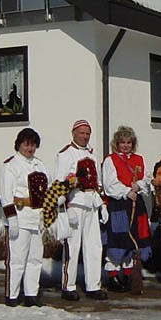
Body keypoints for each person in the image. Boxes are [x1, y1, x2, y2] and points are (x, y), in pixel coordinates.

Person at [55, 119, 107, 301]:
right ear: (73, 133)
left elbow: (98, 182)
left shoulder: (92, 155)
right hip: (75, 204)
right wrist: (64, 207)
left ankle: (93, 285)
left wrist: (103, 205)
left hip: (91, 204)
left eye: (87, 133)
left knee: (94, 246)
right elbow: (59, 184)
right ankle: (68, 286)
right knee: (72, 247)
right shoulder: (65, 154)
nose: (85, 137)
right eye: (82, 133)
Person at [0, 127, 48, 307]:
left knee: (35, 259)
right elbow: (5, 194)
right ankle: (12, 295)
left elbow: (45, 192)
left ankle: (31, 294)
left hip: (36, 218)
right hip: (20, 217)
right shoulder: (10, 165)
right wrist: (11, 218)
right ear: (19, 144)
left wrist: (48, 216)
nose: (30, 148)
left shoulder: (39, 165)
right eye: (27, 144)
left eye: (33, 145)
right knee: (18, 259)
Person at [101, 126, 151, 293]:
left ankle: (129, 274)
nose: (125, 145)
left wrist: (138, 186)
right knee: (118, 239)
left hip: (136, 204)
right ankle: (113, 274)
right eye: (122, 142)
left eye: (129, 142)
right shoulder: (111, 160)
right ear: (116, 143)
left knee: (133, 240)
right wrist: (126, 192)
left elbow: (146, 179)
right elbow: (109, 185)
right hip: (119, 204)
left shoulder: (139, 159)